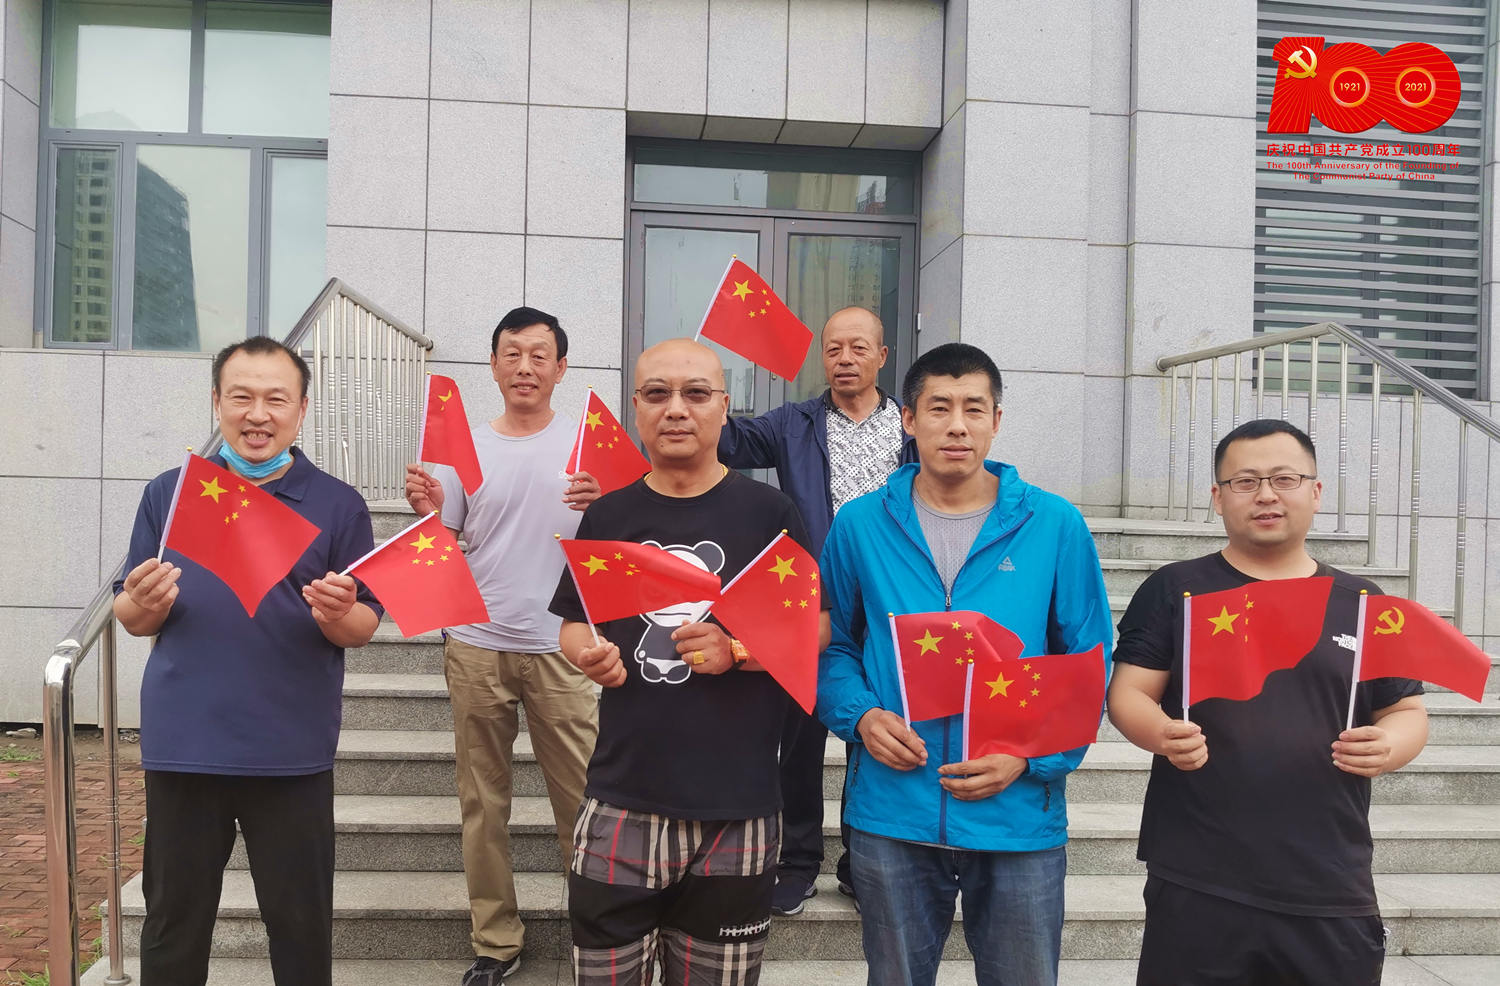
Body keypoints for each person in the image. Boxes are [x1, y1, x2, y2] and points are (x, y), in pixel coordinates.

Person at [816, 342, 1112, 986]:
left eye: (974, 409)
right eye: (939, 408)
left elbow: (1089, 660)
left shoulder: (1054, 523)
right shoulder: (860, 524)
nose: (957, 425)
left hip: (1016, 813)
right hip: (894, 806)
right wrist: (861, 716)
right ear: (908, 419)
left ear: (996, 421)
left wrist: (1030, 757)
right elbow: (830, 644)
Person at [1108, 418, 1429, 986]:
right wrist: (1161, 733)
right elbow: (1129, 692)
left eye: (1284, 479)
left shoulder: (1363, 601)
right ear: (1218, 497)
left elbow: (1404, 710)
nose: (1265, 495)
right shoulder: (1177, 588)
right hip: (1199, 872)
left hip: (1329, 875)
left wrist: (1389, 745)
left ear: (1316, 491)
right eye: (1245, 481)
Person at [550, 339, 831, 985]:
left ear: (724, 408)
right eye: (658, 393)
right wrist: (587, 655)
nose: (676, 409)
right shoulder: (609, 514)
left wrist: (737, 651)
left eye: (696, 393)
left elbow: (815, 627)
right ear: (637, 408)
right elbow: (574, 622)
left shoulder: (770, 514)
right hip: (622, 798)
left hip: (739, 805)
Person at [113, 336, 382, 986]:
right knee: (173, 925)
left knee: (300, 926)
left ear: (301, 409)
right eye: (241, 397)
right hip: (186, 745)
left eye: (276, 400)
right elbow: (132, 615)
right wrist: (141, 603)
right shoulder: (171, 494)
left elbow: (363, 625)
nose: (257, 415)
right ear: (217, 402)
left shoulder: (338, 504)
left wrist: (336, 612)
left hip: (291, 749)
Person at [404, 306, 602, 985]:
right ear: (492, 365)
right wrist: (428, 514)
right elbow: (446, 538)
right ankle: (495, 940)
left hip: (563, 648)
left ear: (561, 368)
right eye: (512, 353)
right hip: (476, 643)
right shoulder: (463, 449)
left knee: (582, 801)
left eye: (539, 355)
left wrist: (605, 502)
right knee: (482, 802)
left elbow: (621, 545)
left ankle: (596, 935)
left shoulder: (588, 446)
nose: (525, 366)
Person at [718, 306, 915, 913]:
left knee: (872, 735)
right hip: (811, 604)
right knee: (799, 741)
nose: (845, 359)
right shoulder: (793, 423)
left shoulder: (910, 428)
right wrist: (709, 387)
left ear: (882, 355)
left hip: (887, 601)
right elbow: (725, 441)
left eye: (858, 347)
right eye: (833, 349)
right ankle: (798, 861)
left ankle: (861, 862)